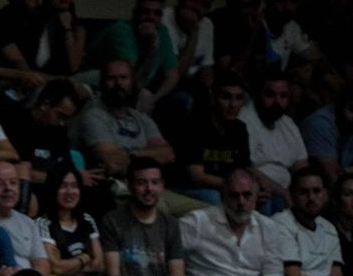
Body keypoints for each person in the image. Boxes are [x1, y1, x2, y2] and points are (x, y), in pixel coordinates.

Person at [180, 167, 286, 276]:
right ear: (222, 196)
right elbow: (168, 253)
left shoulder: (268, 226)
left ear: (256, 196)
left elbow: (273, 271)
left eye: (247, 195)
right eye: (234, 196)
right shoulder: (197, 222)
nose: (241, 202)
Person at [74, 59, 176, 181]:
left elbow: (168, 154)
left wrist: (133, 154)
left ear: (132, 82)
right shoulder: (93, 116)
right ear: (102, 83)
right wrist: (151, 156)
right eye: (111, 78)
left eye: (123, 78)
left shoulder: (142, 118)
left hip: (147, 186)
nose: (118, 83)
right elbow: (114, 164)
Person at [102, 157, 188, 276]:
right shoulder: (113, 221)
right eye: (141, 183)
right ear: (130, 186)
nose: (149, 189)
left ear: (162, 185)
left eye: (155, 182)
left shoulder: (170, 224)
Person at [175, 72, 251, 205]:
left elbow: (244, 169)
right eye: (226, 97)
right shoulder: (194, 125)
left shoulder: (239, 129)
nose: (233, 105)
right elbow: (197, 177)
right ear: (214, 97)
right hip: (188, 188)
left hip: (226, 188)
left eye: (238, 98)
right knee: (215, 198)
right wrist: (235, 186)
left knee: (266, 200)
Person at [35, 166, 105, 276]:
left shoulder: (87, 219)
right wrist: (85, 258)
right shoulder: (43, 223)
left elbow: (99, 264)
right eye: (63, 186)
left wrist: (68, 265)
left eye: (74, 186)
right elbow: (56, 268)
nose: (70, 192)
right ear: (53, 189)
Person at [89, 0, 180, 101]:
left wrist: (154, 99)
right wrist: (152, 46)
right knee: (142, 95)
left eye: (157, 13)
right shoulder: (121, 31)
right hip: (94, 82)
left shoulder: (162, 32)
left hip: (126, 87)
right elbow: (133, 81)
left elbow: (173, 76)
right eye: (146, 11)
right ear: (135, 13)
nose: (151, 17)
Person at [274, 167, 347, 276]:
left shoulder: (328, 228)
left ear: (325, 194)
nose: (311, 198)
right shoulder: (280, 223)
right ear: (292, 195)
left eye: (317, 191)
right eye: (303, 192)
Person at [241, 72, 308, 209]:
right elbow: (247, 168)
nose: (277, 101)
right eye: (270, 95)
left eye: (283, 96)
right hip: (258, 188)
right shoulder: (244, 120)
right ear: (258, 94)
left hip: (287, 191)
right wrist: (283, 193)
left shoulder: (288, 123)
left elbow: (301, 166)